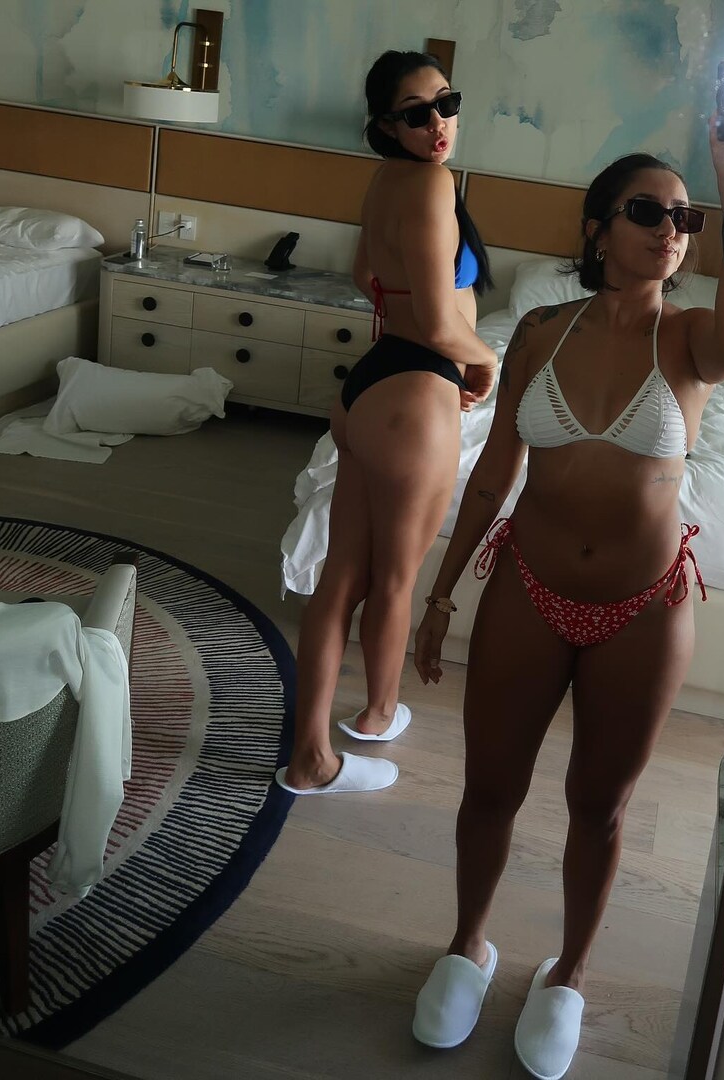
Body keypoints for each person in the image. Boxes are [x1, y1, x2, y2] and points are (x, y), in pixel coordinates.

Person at [410, 115, 724, 1078]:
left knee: (600, 806)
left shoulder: (692, 339)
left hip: (642, 609)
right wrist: (439, 597)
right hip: (527, 589)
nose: (670, 231)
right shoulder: (541, 332)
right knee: (489, 788)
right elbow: (492, 476)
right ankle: (466, 944)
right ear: (596, 228)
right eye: (647, 212)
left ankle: (568, 973)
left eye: (683, 218)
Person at [275, 50, 499, 796]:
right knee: (396, 579)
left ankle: (313, 751)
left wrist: (425, 326)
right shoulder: (432, 183)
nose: (438, 124)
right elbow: (438, 321)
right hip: (417, 391)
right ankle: (374, 715)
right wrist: (485, 359)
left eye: (446, 104)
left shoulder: (387, 180)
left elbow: (362, 273)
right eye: (415, 113)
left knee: (342, 576)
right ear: (385, 124)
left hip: (371, 387)